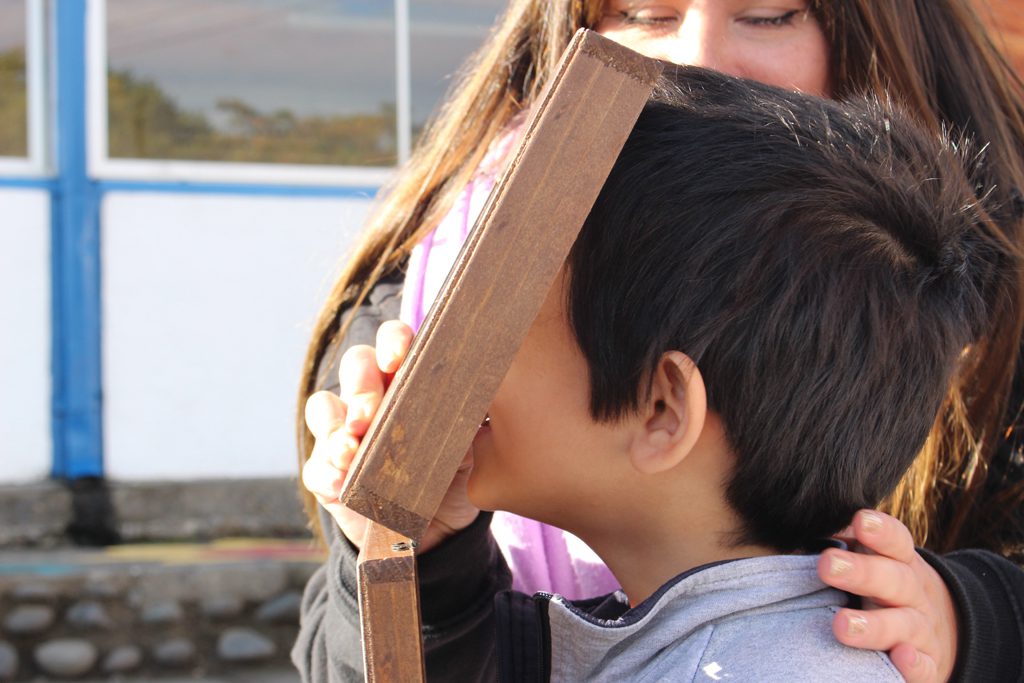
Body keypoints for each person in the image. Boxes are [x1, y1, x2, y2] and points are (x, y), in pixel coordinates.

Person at [295, 1, 1024, 680]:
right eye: (645, 13)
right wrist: (415, 565)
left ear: (664, 407)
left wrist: (975, 616)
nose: (696, 60)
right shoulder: (413, 306)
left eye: (768, 15)